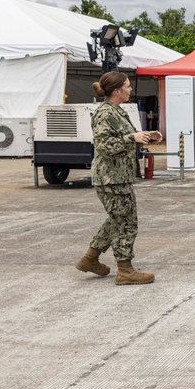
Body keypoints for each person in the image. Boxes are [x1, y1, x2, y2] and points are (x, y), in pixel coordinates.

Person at [76, 71, 157, 285]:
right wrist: (132, 137)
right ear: (117, 90)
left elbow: (120, 139)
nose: (131, 89)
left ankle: (90, 258)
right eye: (128, 86)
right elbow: (104, 146)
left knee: (117, 219)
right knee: (125, 223)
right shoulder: (105, 113)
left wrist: (145, 137)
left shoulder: (117, 111)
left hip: (119, 177)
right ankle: (125, 270)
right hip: (111, 178)